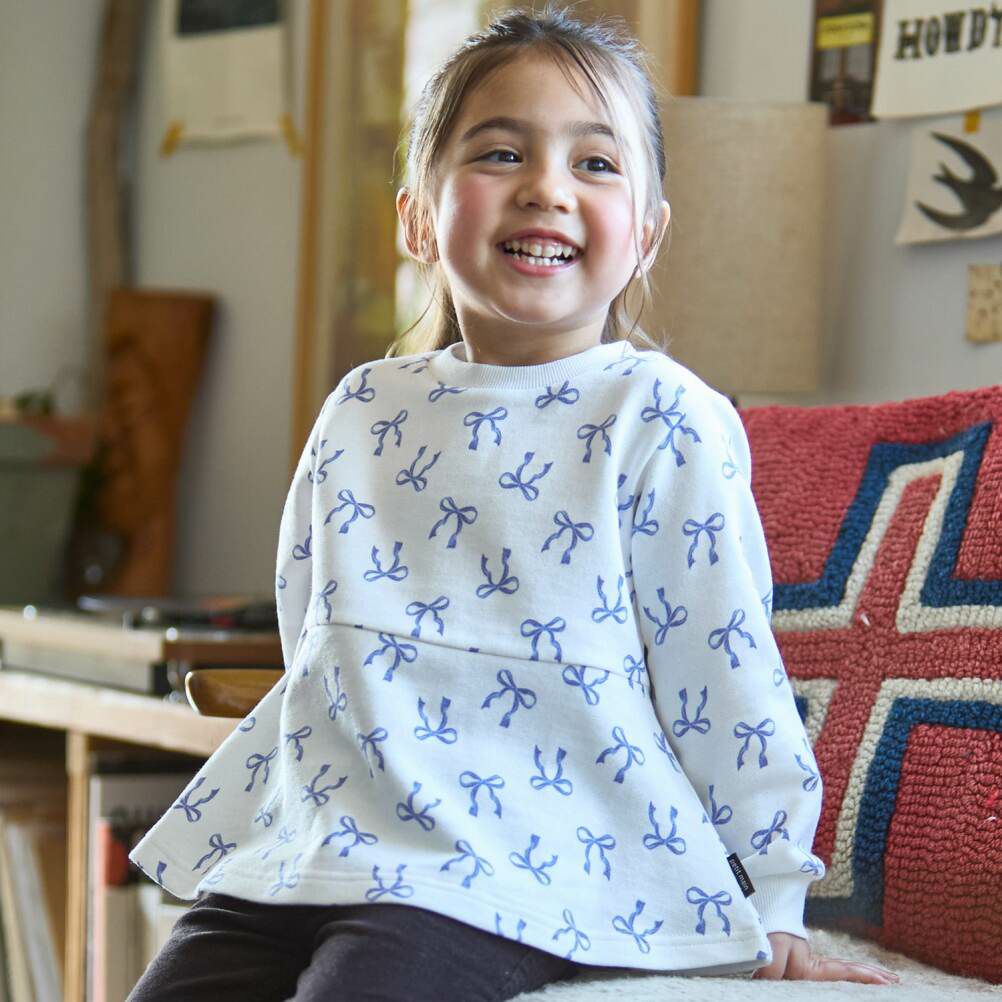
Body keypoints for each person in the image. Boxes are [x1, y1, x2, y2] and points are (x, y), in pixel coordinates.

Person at [127, 5, 901, 999]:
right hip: (314, 838)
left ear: (648, 235)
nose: (547, 187)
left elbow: (724, 676)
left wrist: (777, 892)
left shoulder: (658, 416)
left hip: (515, 866)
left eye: (596, 163)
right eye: (501, 152)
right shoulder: (364, 406)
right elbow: (314, 627)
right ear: (417, 216)